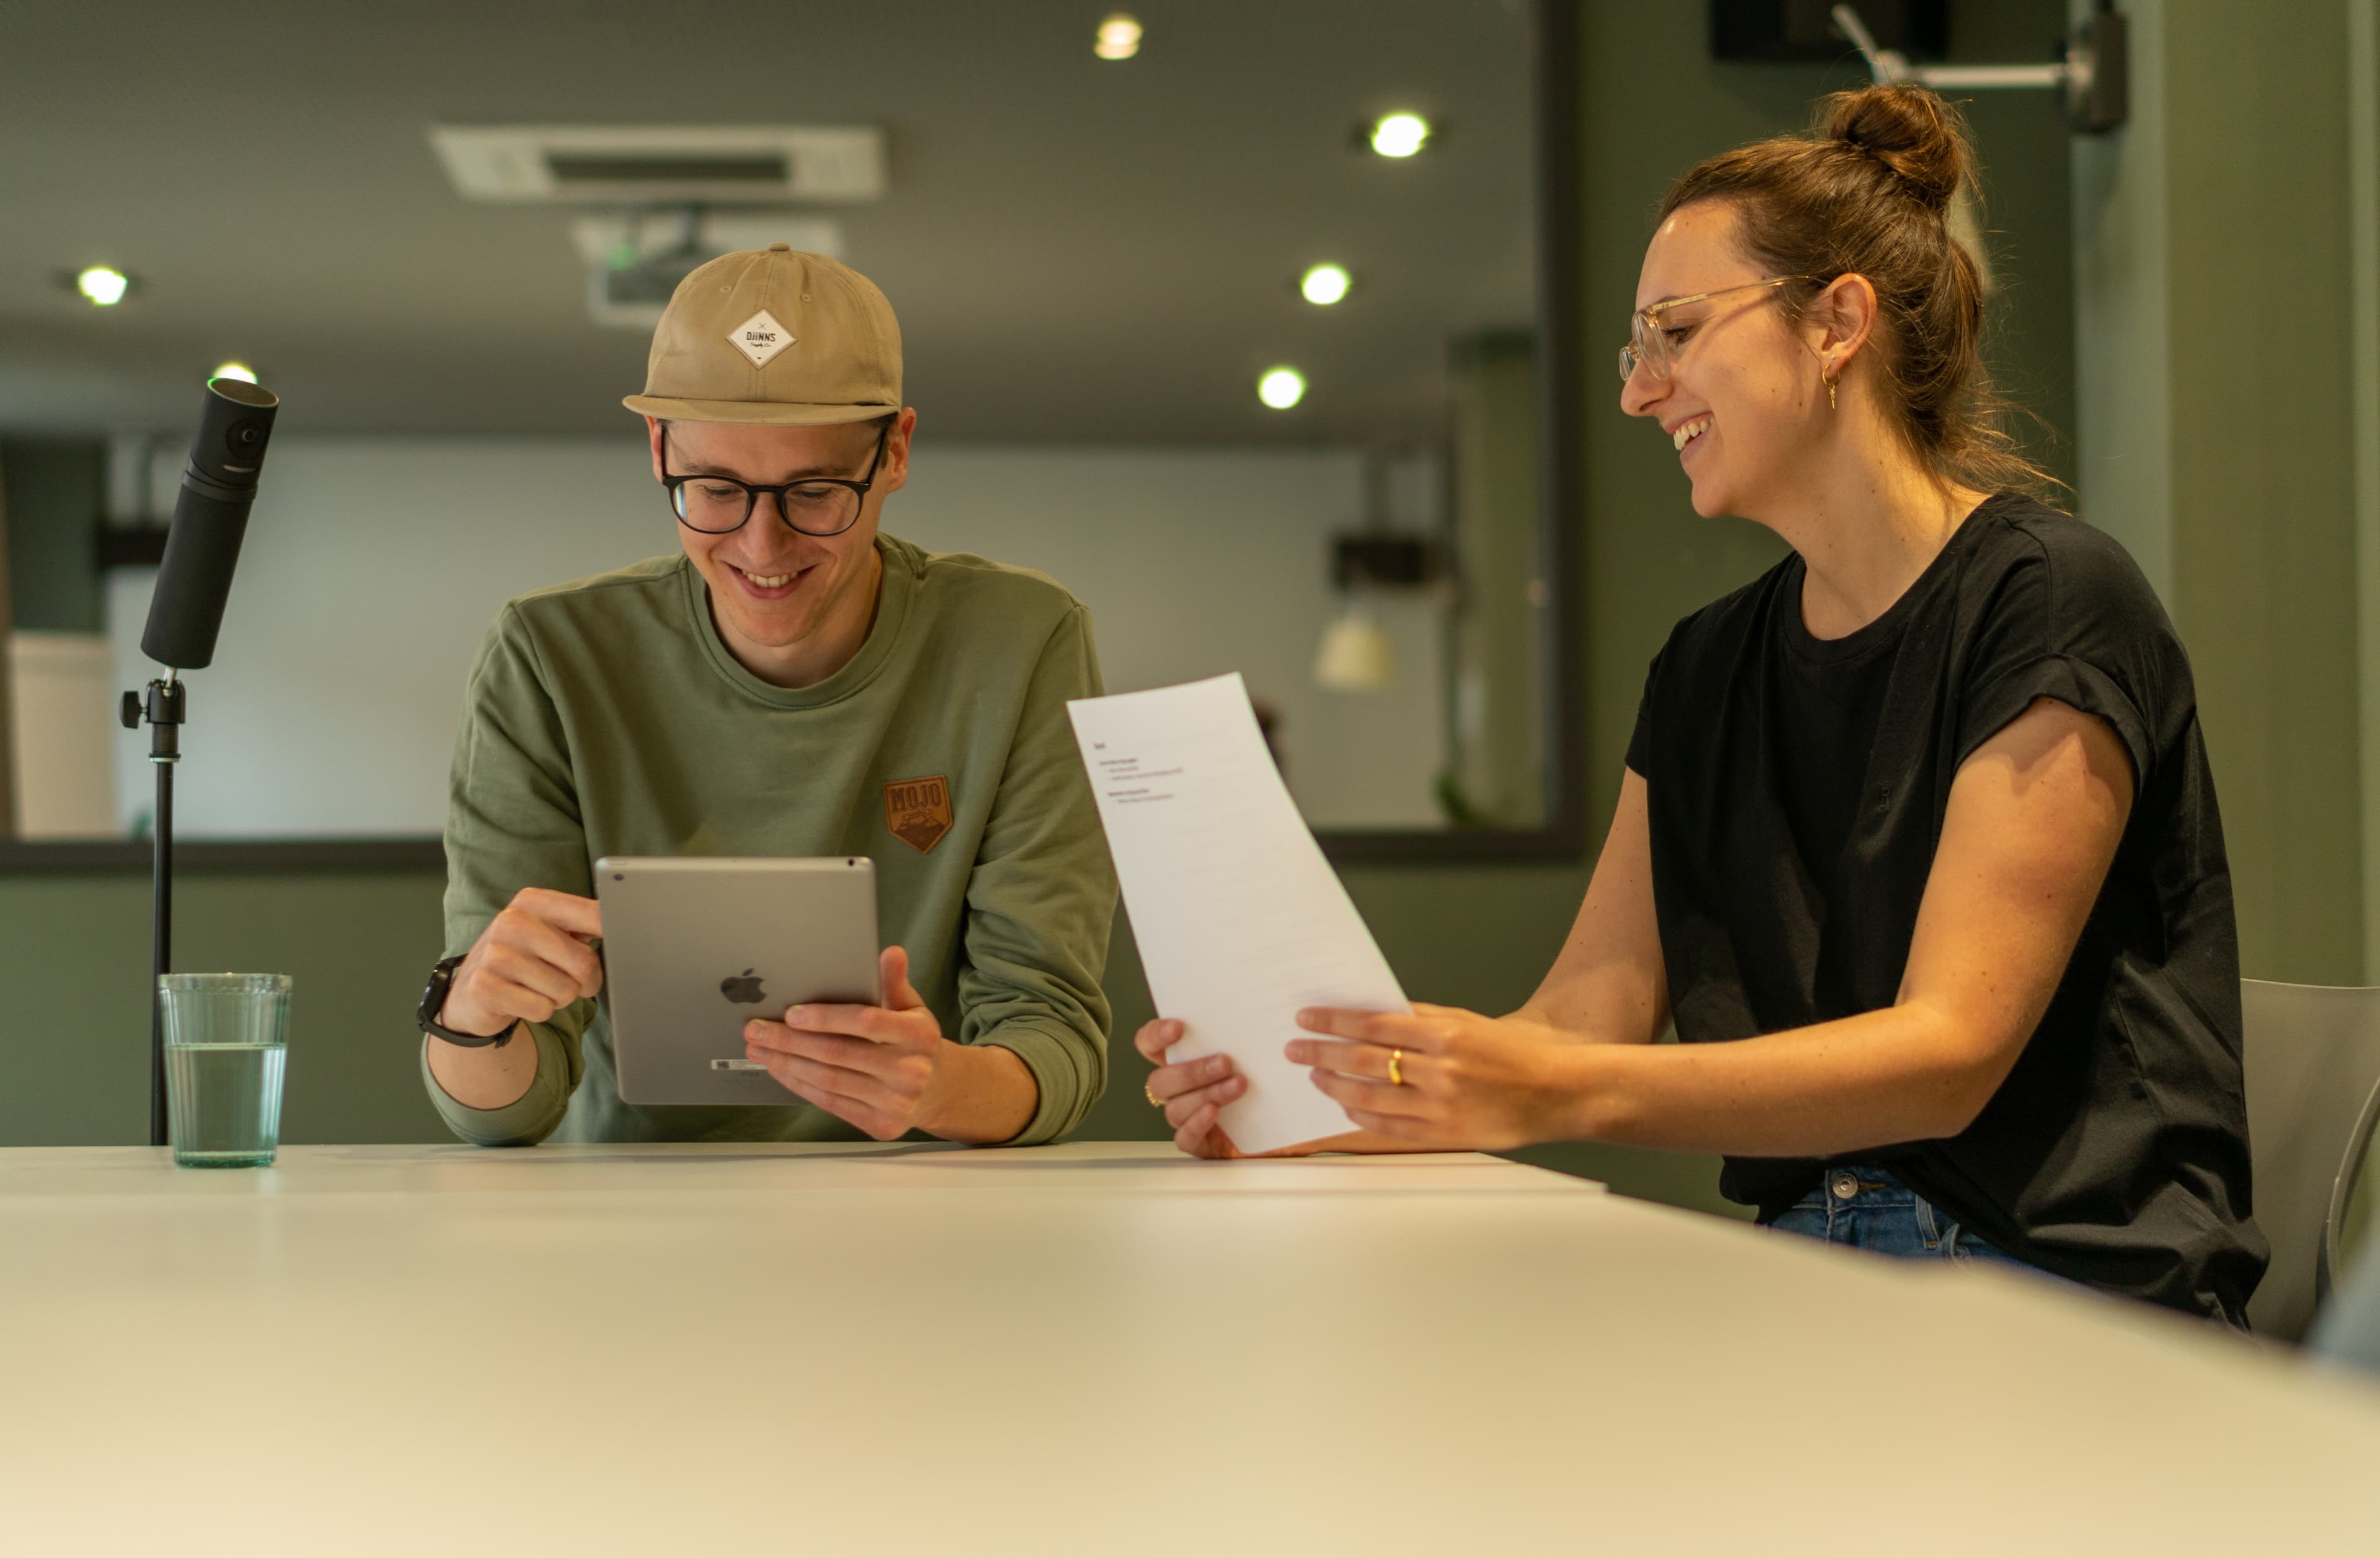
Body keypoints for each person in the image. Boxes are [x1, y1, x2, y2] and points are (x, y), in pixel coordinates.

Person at [1142, 87, 2267, 1325]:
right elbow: (1588, 1013)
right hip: (1819, 1264)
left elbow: (1950, 1053)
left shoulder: (2052, 599)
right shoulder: (1708, 665)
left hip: (2065, 1293)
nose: (1641, 392)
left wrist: (1551, 1092)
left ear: (1838, 320)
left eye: (1674, 332)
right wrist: (1324, 1101)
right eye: (1638, 348)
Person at [415, 244, 1116, 1149]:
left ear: (895, 450)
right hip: (640, 1220)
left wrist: (938, 1086)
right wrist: (474, 1016)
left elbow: (1051, 1032)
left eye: (816, 492)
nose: (762, 545)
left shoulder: (1021, 641)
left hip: (929, 1212)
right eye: (714, 489)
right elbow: (503, 1111)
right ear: (659, 448)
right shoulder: (550, 657)